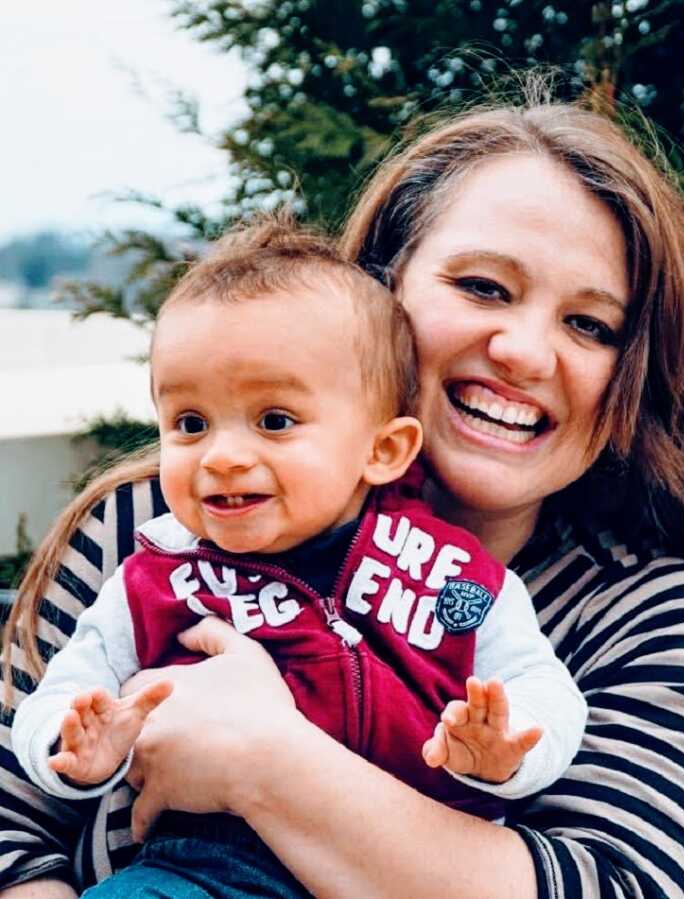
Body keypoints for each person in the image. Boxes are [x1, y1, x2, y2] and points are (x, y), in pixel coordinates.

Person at [0, 83, 684, 899]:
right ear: (386, 290)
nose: (523, 351)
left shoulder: (651, 617)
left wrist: (266, 764)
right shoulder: (154, 530)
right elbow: (10, 825)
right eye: (484, 287)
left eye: (590, 326)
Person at [10, 223, 587, 896]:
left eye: (275, 420)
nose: (221, 455)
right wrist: (73, 748)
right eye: (191, 423)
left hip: (391, 862)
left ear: (383, 450)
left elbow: (541, 686)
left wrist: (507, 748)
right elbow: (55, 701)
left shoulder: (447, 574)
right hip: (200, 873)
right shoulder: (154, 573)